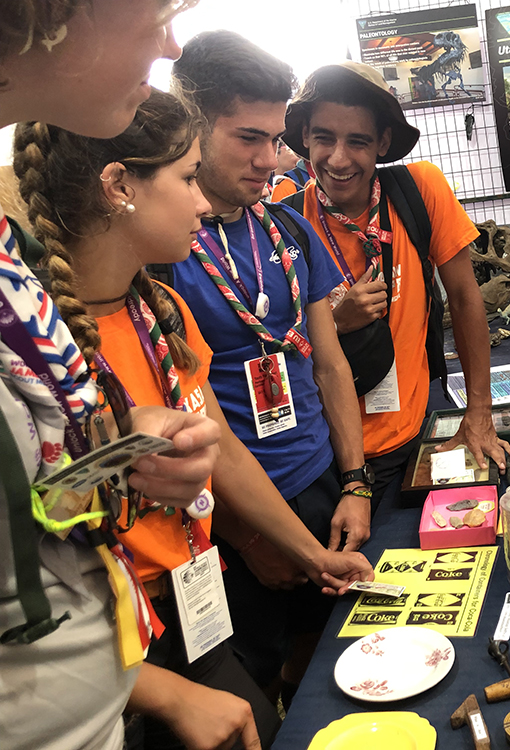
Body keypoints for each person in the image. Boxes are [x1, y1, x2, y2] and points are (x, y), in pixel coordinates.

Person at [14, 89, 374, 749]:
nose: (204, 202)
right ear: (119, 186)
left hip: (190, 609)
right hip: (100, 655)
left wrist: (313, 555)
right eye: (186, 179)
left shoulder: (160, 312)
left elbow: (225, 455)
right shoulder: (31, 348)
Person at [0, 3, 260, 749]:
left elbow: (40, 500)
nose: (172, 40)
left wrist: (109, 449)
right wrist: (163, 692)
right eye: (157, 11)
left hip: (116, 672)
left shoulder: (62, 298)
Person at [169, 31, 371, 705]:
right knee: (244, 686)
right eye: (247, 138)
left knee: (324, 658)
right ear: (193, 126)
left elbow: (332, 367)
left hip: (317, 486)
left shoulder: (289, 231)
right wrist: (245, 533)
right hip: (229, 520)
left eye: (277, 137)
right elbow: (189, 422)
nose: (271, 157)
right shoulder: (163, 249)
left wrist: (355, 483)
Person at [281, 61, 510, 506]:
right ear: (306, 136)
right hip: (324, 459)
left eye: (358, 141)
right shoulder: (284, 219)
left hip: (413, 437)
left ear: (383, 143)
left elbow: (466, 299)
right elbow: (276, 345)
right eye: (324, 138)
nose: (339, 158)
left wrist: (479, 413)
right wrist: (334, 321)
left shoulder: (419, 190)